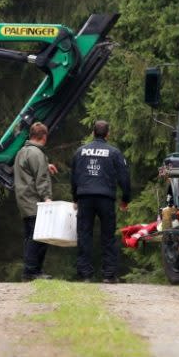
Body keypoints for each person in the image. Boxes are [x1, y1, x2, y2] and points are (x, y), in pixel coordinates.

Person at [71, 120, 131, 283]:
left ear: (93, 133)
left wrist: (75, 198)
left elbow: (74, 177)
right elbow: (124, 177)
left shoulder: (80, 152)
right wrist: (125, 199)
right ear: (107, 134)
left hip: (85, 198)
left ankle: (85, 275)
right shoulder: (114, 152)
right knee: (108, 236)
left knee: (84, 235)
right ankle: (109, 274)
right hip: (105, 198)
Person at [14, 122, 58, 281]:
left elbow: (30, 170)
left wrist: (46, 165)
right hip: (35, 202)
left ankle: (32, 270)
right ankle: (32, 272)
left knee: (30, 236)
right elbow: (41, 179)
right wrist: (47, 198)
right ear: (44, 137)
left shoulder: (22, 151)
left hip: (24, 200)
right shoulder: (37, 154)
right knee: (38, 237)